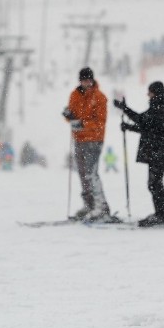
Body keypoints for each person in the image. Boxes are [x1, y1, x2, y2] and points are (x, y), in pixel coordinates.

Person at [114, 81, 164, 227]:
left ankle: (162, 214)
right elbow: (146, 126)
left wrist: (125, 110)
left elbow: (142, 121)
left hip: (157, 152)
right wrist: (128, 125)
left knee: (154, 183)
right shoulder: (158, 107)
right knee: (155, 183)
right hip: (157, 152)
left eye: (150, 91)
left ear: (155, 93)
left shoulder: (159, 109)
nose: (148, 94)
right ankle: (162, 213)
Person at [62, 67, 113, 222]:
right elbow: (72, 116)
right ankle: (89, 205)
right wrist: (68, 115)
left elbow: (100, 122)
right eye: (84, 80)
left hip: (94, 139)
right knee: (83, 174)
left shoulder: (99, 97)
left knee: (92, 173)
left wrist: (82, 124)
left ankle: (101, 206)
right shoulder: (74, 95)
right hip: (78, 139)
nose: (87, 83)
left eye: (89, 80)